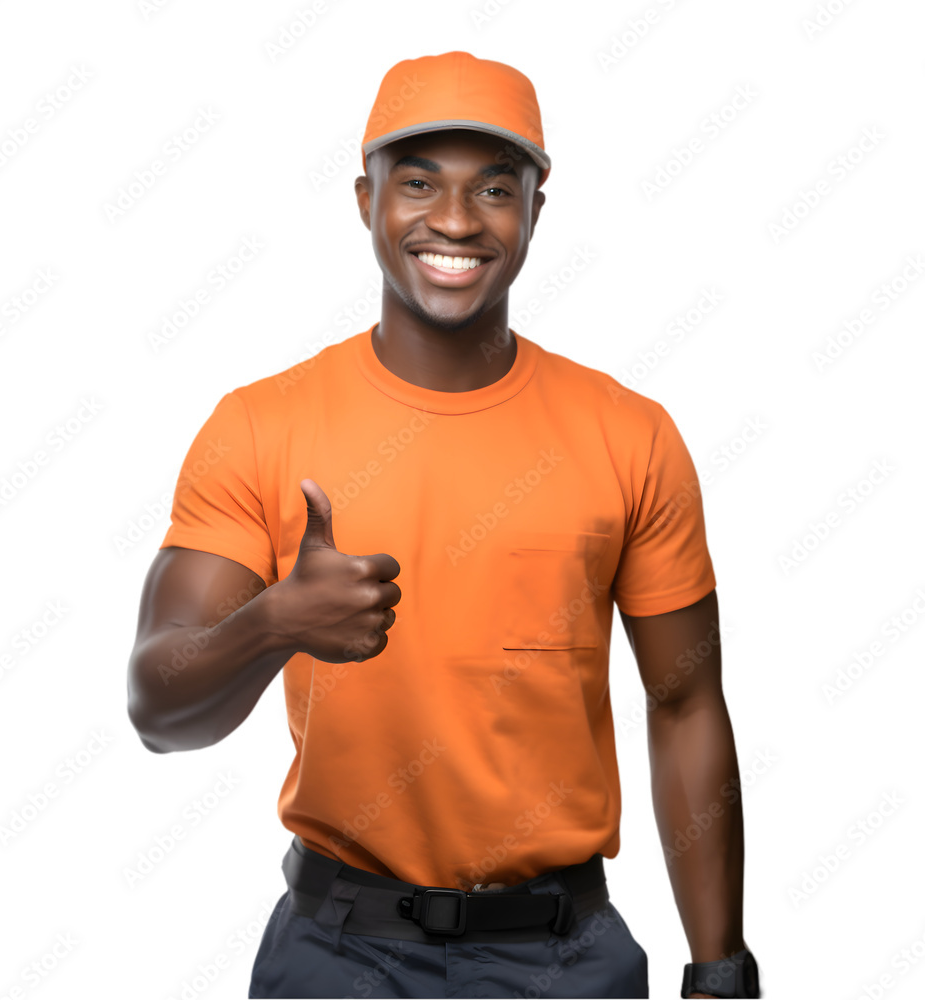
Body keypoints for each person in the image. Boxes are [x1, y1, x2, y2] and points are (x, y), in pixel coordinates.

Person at [126, 50, 761, 999]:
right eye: (418, 182)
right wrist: (275, 623)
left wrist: (721, 963)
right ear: (364, 199)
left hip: (564, 957)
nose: (456, 221)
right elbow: (157, 711)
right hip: (334, 953)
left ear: (537, 210)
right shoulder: (258, 427)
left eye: (495, 188)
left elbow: (685, 703)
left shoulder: (632, 436)